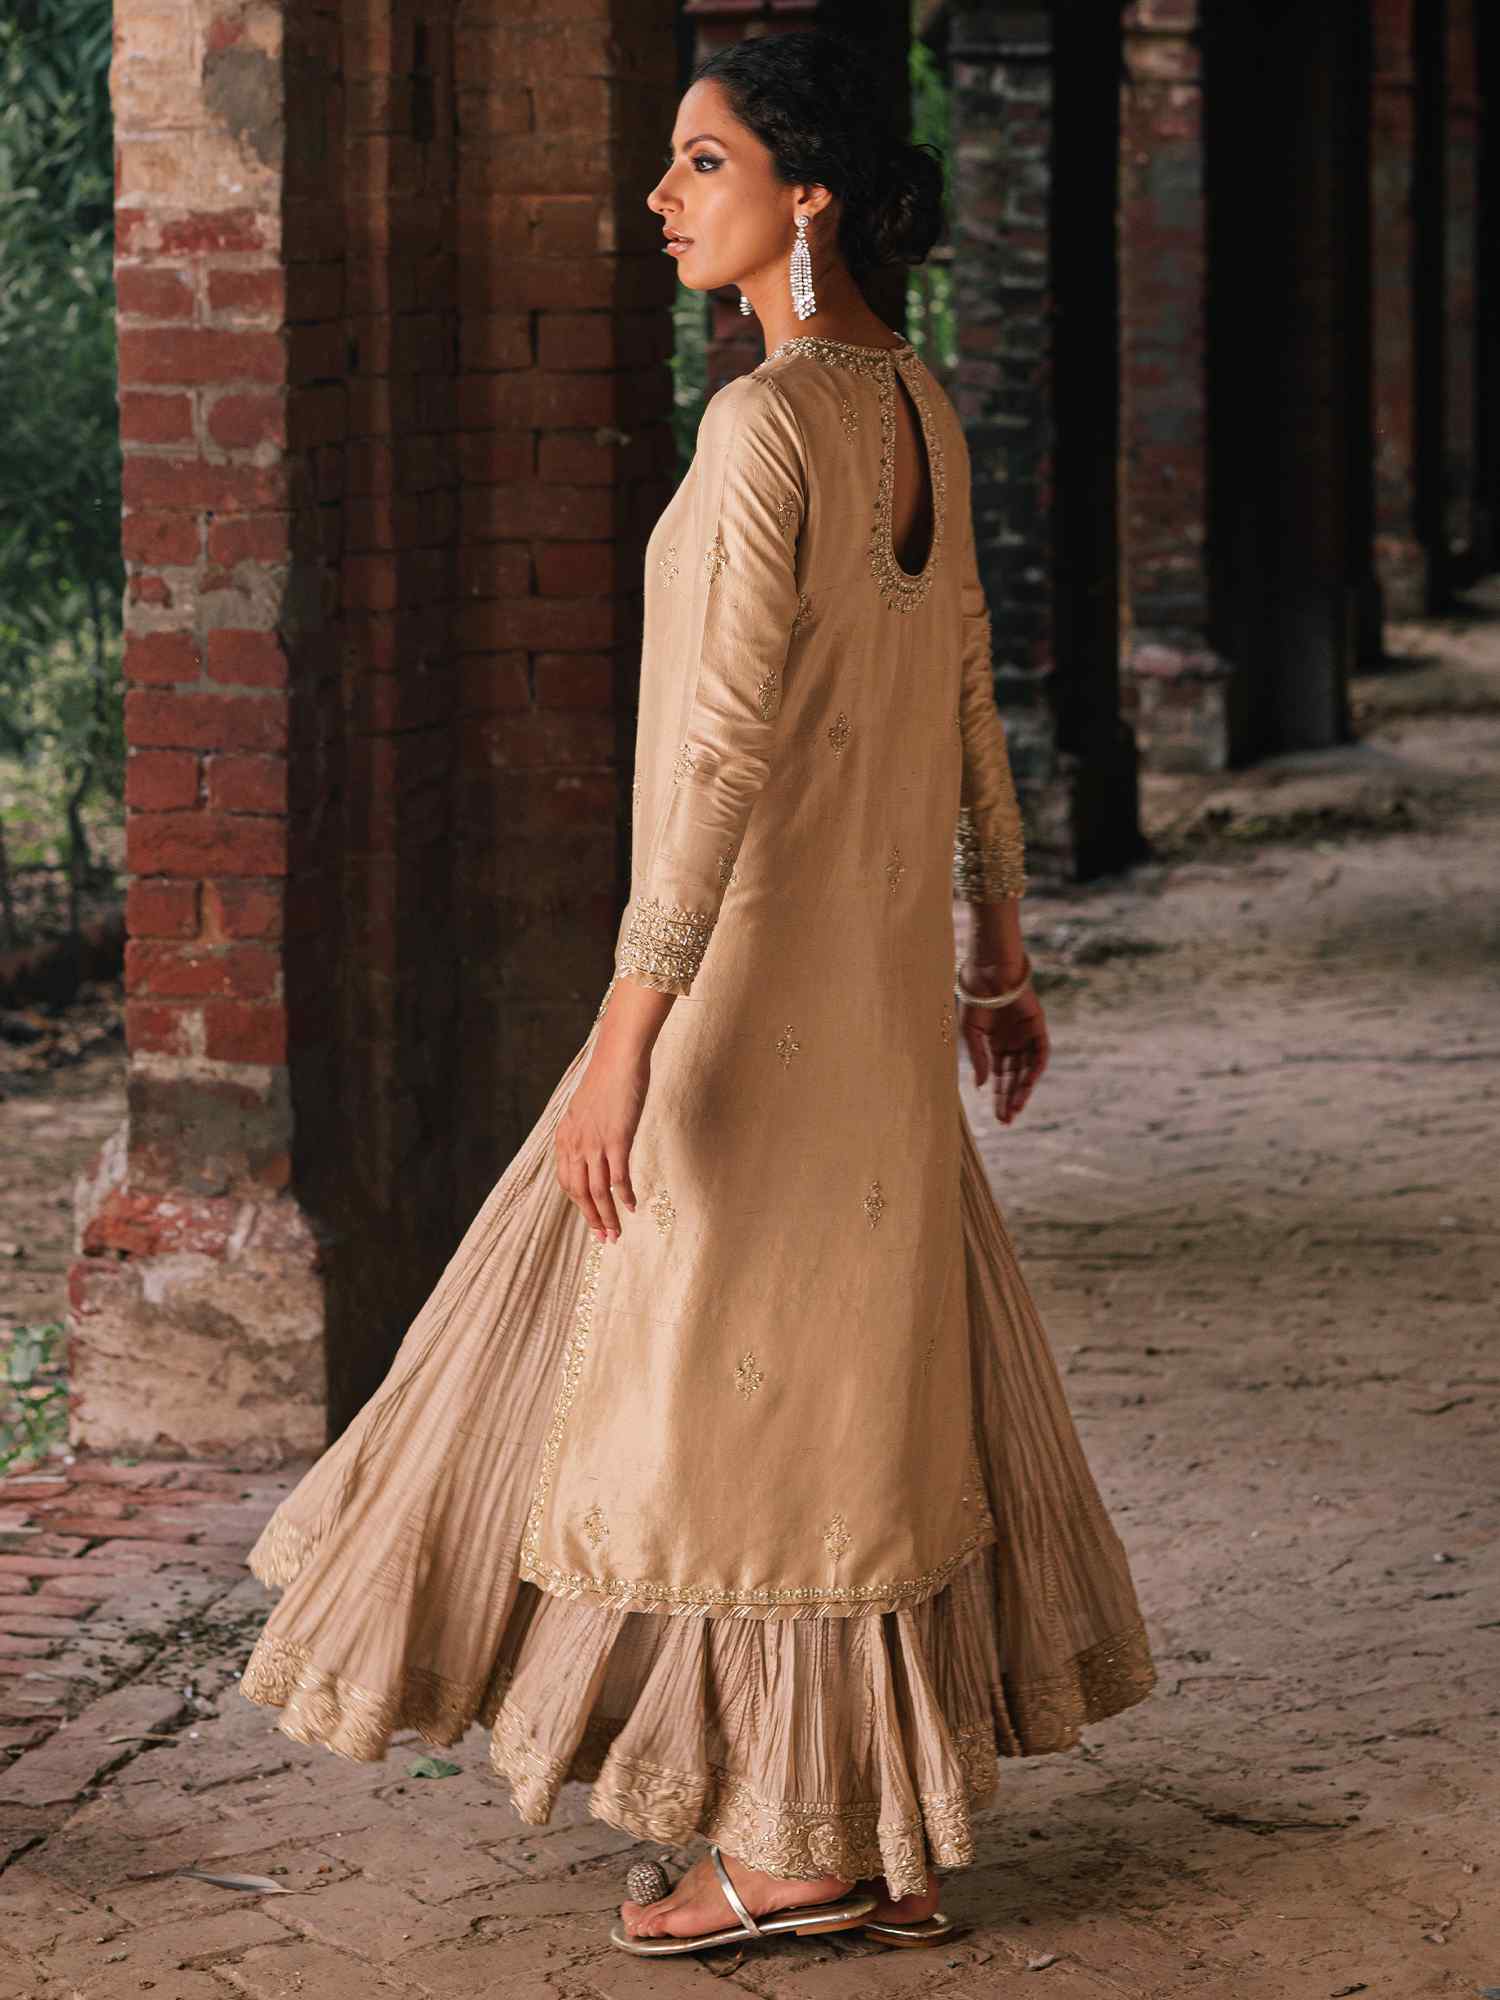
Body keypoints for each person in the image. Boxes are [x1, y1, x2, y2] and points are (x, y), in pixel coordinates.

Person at [237, 28, 1157, 1962]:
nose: (660, 196)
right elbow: (970, 698)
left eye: (702, 160)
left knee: (723, 1421)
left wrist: (623, 1044)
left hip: (746, 1000)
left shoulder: (765, 424)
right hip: (873, 1007)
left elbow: (723, 755)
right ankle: (864, 1833)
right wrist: (994, 955)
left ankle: (795, 1848)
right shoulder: (915, 402)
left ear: (807, 195)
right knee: (842, 1405)